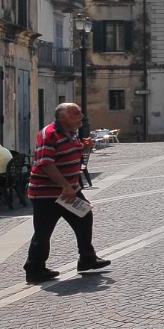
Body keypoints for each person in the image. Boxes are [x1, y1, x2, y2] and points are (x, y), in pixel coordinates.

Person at [25, 102, 110, 284]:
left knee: (84, 216)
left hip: (69, 191)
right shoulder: (50, 134)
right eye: (76, 113)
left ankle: (87, 259)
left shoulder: (71, 133)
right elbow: (46, 163)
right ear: (63, 117)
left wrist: (85, 147)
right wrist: (65, 185)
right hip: (48, 194)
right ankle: (34, 269)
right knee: (43, 231)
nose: (81, 116)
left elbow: (70, 156)